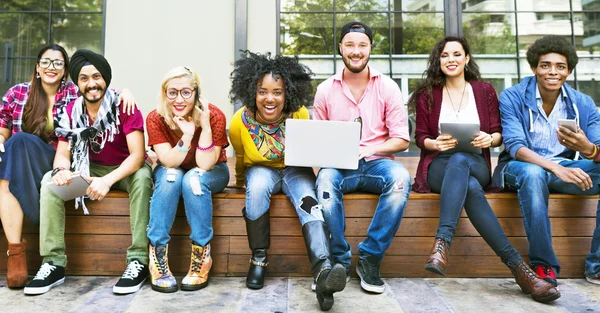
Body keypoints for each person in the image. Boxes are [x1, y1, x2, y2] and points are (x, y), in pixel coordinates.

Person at [409, 36, 560, 303]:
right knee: (465, 181)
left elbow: (498, 133)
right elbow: (420, 137)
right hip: (437, 166)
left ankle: (442, 243)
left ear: (467, 59)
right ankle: (520, 269)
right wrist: (435, 142)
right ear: (439, 60)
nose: (451, 59)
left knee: (463, 163)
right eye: (445, 55)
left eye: (457, 54)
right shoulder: (427, 94)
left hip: (476, 163)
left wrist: (489, 139)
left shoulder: (484, 90)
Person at [0, 44, 135, 288]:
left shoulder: (75, 92)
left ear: (65, 71)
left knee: (19, 149)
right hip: (21, 161)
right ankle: (15, 252)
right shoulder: (17, 93)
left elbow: (100, 90)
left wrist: (125, 91)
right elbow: (3, 132)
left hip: (62, 161)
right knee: (11, 153)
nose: (51, 67)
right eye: (46, 62)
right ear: (37, 67)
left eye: (58, 63)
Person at [229, 51, 346, 311]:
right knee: (257, 187)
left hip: (295, 169)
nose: (269, 98)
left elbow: (307, 150)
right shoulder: (239, 122)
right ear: (252, 92)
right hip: (260, 169)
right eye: (262, 91)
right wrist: (239, 183)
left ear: (288, 93)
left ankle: (323, 271)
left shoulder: (300, 113)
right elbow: (239, 156)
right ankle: (258, 260)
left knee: (310, 203)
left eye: (277, 92)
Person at [493, 35, 600, 287]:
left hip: (562, 169)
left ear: (569, 71)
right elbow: (515, 146)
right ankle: (543, 265)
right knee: (533, 173)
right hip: (518, 169)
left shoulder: (583, 103)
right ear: (534, 68)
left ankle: (596, 266)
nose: (553, 72)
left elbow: (597, 150)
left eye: (560, 66)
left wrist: (587, 149)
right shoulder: (513, 97)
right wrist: (555, 168)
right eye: (545, 65)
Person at [313, 21, 412, 294]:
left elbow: (402, 139)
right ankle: (340, 261)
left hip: (376, 164)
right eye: (350, 45)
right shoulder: (325, 90)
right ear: (340, 48)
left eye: (362, 45)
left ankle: (370, 258)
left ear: (370, 48)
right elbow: (317, 141)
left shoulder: (389, 88)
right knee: (324, 181)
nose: (356, 51)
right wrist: (321, 170)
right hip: (339, 166)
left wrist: (371, 149)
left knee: (401, 178)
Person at [145, 66, 229, 293]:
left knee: (193, 179)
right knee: (172, 177)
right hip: (173, 167)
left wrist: (205, 126)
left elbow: (204, 164)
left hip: (212, 170)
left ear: (196, 93)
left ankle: (202, 256)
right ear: (164, 94)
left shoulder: (215, 115)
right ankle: (157, 256)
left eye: (186, 92)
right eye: (172, 92)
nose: (179, 99)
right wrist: (188, 135)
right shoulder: (155, 118)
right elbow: (169, 161)